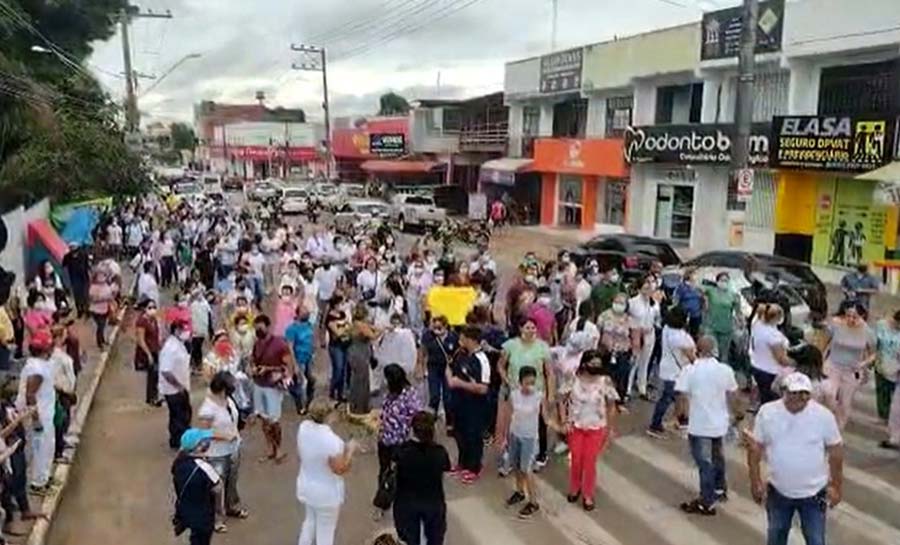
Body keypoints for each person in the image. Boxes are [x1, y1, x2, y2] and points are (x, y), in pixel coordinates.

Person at [747, 372, 844, 545]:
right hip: (778, 491)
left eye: (805, 393)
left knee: (815, 540)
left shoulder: (823, 416)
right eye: (794, 392)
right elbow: (755, 449)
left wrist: (836, 486)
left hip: (814, 494)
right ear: (784, 391)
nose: (800, 397)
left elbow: (836, 452)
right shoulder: (767, 413)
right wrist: (755, 482)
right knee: (776, 536)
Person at [675, 336, 740, 516]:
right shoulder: (725, 370)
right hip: (720, 423)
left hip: (699, 424)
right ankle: (720, 489)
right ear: (715, 349)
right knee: (718, 457)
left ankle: (706, 500)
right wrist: (738, 414)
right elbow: (733, 395)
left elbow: (681, 396)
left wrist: (681, 417)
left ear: (697, 349)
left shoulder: (689, 371)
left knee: (705, 463)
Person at [559, 350, 618, 512]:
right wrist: (564, 421)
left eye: (598, 364)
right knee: (576, 460)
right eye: (592, 364)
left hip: (596, 427)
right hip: (576, 426)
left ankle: (588, 494)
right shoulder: (573, 379)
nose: (595, 367)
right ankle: (574, 488)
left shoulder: (605, 381)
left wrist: (610, 428)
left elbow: (612, 406)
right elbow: (562, 401)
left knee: (590, 462)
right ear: (584, 363)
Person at [296, 398, 358, 545]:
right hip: (326, 493)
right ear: (328, 415)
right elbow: (340, 468)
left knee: (309, 522)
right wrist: (350, 450)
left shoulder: (303, 427)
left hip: (306, 485)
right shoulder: (331, 440)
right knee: (325, 532)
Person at [392, 412, 451, 545]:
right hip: (433, 501)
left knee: (409, 539)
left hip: (406, 502)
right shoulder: (440, 452)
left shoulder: (402, 451)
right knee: (435, 538)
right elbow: (445, 469)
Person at [197, 372, 247, 527]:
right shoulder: (208, 409)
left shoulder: (228, 401)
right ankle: (217, 518)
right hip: (216, 453)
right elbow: (204, 433)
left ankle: (231, 506)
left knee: (232, 481)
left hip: (233, 449)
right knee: (217, 487)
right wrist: (224, 436)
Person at [447, 326, 491, 485]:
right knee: (460, 434)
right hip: (459, 403)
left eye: (463, 336)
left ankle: (474, 467)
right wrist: (451, 379)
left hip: (475, 406)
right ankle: (462, 463)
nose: (460, 339)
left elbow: (483, 388)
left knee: (473, 436)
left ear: (470, 339)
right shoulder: (461, 353)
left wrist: (460, 383)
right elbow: (450, 367)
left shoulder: (482, 360)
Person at [505, 365, 551, 519]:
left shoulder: (539, 396)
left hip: (530, 438)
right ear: (520, 382)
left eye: (533, 382)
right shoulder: (514, 395)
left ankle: (533, 501)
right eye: (527, 383)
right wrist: (504, 436)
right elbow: (509, 414)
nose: (530, 386)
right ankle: (519, 492)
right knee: (517, 465)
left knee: (527, 469)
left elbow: (546, 418)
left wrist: (560, 427)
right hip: (515, 434)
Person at [375, 364, 421, 512]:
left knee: (399, 472)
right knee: (384, 470)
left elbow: (417, 416)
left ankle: (401, 499)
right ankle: (383, 499)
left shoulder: (409, 396)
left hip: (400, 441)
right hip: (384, 439)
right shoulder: (390, 393)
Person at [15, 329, 56, 493]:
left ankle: (44, 477)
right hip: (39, 415)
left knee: (46, 446)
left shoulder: (37, 364)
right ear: (46, 348)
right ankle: (38, 483)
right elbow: (30, 394)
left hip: (44, 411)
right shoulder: (37, 369)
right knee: (40, 448)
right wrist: (37, 419)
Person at [824, 301, 875, 430]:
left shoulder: (868, 332)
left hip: (852, 370)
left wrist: (862, 364)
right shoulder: (836, 325)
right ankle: (827, 420)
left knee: (845, 402)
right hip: (833, 365)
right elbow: (824, 343)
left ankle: (838, 427)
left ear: (862, 316)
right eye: (848, 316)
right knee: (829, 393)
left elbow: (873, 354)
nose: (851, 319)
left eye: (855, 317)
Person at [250, 315, 293, 463]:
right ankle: (269, 447)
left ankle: (279, 448)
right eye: (256, 328)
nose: (257, 330)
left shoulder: (279, 344)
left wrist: (268, 369)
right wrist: (254, 369)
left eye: (260, 327)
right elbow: (253, 359)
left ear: (267, 327)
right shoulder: (257, 344)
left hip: (273, 386)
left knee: (274, 420)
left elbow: (287, 365)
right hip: (258, 384)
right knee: (263, 418)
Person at [647, 307, 696, 439]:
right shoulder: (680, 338)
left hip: (668, 368)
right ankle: (655, 425)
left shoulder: (666, 329)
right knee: (667, 398)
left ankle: (681, 419)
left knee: (679, 395)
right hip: (676, 371)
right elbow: (691, 356)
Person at [171, 428, 222, 545]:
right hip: (203, 514)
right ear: (199, 447)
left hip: (185, 510)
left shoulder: (178, 463)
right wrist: (219, 513)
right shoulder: (205, 468)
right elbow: (218, 488)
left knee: (195, 538)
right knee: (201, 540)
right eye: (205, 441)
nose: (208, 442)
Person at [417, 316, 458, 426]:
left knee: (448, 397)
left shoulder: (453, 337)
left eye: (439, 327)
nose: (436, 330)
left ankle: (450, 422)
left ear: (445, 327)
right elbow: (422, 351)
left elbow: (459, 352)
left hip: (447, 369)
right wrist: (420, 367)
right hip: (433, 368)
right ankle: (431, 420)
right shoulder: (428, 336)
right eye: (434, 327)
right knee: (434, 395)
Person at [597, 294, 639, 403]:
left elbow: (635, 337)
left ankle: (619, 400)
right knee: (606, 376)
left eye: (621, 303)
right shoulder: (604, 316)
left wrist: (634, 353)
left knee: (621, 377)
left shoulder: (630, 319)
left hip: (623, 353)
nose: (618, 305)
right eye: (616, 302)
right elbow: (597, 333)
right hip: (606, 352)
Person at [750, 304, 792, 406]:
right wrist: (795, 362)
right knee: (770, 401)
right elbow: (781, 359)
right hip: (770, 372)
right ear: (777, 318)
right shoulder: (773, 336)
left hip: (757, 366)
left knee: (763, 396)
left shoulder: (757, 325)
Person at [159, 320, 193, 450]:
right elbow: (166, 371)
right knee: (180, 416)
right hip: (174, 390)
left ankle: (177, 440)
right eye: (183, 330)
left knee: (179, 415)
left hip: (180, 387)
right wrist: (179, 386)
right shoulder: (170, 348)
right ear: (176, 331)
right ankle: (181, 441)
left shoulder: (179, 344)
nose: (186, 333)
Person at [627, 277, 660, 400]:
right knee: (634, 362)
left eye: (650, 285)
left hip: (650, 334)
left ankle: (642, 387)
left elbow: (657, 319)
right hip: (636, 335)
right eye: (646, 284)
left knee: (645, 362)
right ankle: (627, 389)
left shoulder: (654, 303)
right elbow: (628, 319)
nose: (648, 287)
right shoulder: (632, 302)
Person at [702, 272, 741, 367]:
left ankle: (722, 374)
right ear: (717, 281)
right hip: (711, 327)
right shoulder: (711, 291)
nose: (724, 282)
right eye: (722, 280)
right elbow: (700, 289)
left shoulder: (733, 295)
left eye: (726, 280)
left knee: (724, 355)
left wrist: (740, 322)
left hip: (726, 328)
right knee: (711, 353)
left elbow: (738, 312)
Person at [347, 304, 380, 416]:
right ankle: (360, 406)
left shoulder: (356, 324)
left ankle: (356, 404)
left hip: (356, 352)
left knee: (358, 379)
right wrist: (382, 331)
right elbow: (373, 336)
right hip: (359, 353)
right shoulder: (361, 325)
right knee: (361, 380)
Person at [50, 325, 76, 461]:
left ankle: (61, 443)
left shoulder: (59, 354)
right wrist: (65, 389)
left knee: (65, 419)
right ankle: (58, 451)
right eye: (64, 334)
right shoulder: (56, 356)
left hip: (65, 391)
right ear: (58, 337)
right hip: (61, 392)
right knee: (61, 421)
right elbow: (55, 377)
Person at [874, 310, 900, 423]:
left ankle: (893, 416)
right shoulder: (882, 325)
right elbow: (875, 343)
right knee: (882, 391)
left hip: (897, 366)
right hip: (882, 362)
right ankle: (883, 415)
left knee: (894, 392)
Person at [324, 295, 351, 403]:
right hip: (335, 346)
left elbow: (348, 327)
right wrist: (344, 327)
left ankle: (340, 393)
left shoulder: (342, 314)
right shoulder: (330, 318)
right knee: (338, 370)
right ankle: (332, 391)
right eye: (341, 304)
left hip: (344, 345)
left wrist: (344, 327)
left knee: (343, 370)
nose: (342, 306)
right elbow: (337, 332)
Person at [62, 243, 91, 318]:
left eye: (74, 247)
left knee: (85, 294)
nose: (72, 249)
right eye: (71, 248)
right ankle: (80, 310)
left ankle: (87, 310)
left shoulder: (83, 254)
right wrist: (66, 281)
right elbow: (64, 268)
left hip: (84, 277)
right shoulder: (67, 257)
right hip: (74, 278)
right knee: (77, 296)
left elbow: (87, 266)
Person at [88, 270, 116, 349]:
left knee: (103, 326)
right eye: (100, 276)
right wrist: (103, 298)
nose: (102, 278)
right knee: (100, 326)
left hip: (105, 308)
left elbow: (110, 295)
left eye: (103, 276)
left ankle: (102, 340)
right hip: (96, 310)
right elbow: (92, 299)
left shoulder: (106, 285)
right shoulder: (93, 287)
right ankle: (100, 343)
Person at [674, 271, 704, 337]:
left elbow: (701, 299)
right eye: (694, 276)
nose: (696, 279)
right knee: (683, 333)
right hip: (684, 314)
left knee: (694, 333)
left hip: (696, 314)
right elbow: (676, 299)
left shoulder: (698, 288)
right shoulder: (681, 287)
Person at [190, 289, 213, 372]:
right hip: (195, 330)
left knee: (197, 347)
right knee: (195, 347)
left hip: (202, 330)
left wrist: (210, 330)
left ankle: (197, 364)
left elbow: (209, 317)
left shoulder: (205, 305)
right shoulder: (192, 305)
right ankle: (195, 364)